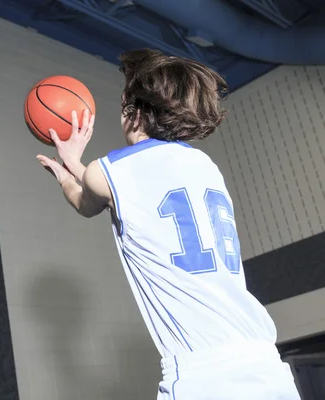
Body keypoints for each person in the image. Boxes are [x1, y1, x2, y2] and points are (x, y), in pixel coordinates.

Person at [36, 49, 300, 400]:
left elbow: (88, 202)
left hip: (205, 376)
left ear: (134, 113)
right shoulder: (205, 166)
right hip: (268, 367)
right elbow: (130, 195)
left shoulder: (110, 171)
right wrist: (82, 168)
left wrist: (68, 168)